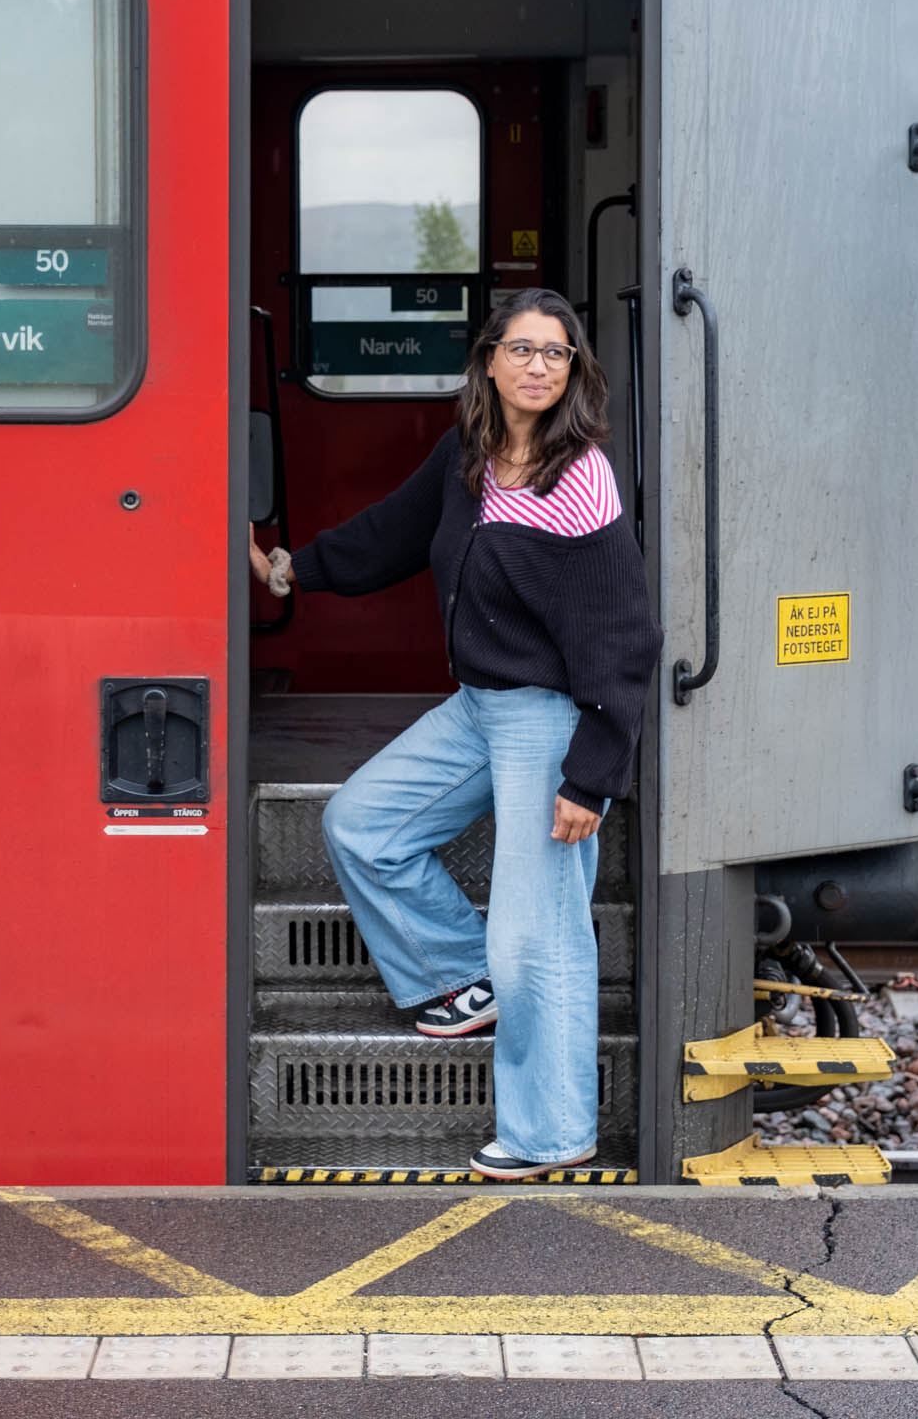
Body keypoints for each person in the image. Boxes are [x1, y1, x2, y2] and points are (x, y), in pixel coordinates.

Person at [249, 288, 661, 1180]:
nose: (539, 367)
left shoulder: (577, 478)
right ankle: (454, 976)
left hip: (549, 721)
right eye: (523, 350)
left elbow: (622, 635)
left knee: (538, 935)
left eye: (557, 354)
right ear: (488, 361)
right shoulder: (468, 455)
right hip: (477, 706)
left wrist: (590, 775)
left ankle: (552, 1134)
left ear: (574, 371)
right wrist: (292, 570)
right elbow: (391, 535)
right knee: (363, 825)